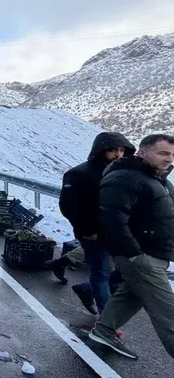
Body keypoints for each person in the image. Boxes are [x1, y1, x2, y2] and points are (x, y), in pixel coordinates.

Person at [89, 134, 174, 360]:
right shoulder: (126, 177)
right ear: (142, 153)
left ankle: (104, 330)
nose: (169, 159)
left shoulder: (157, 179)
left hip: (154, 253)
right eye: (163, 153)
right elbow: (112, 220)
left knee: (130, 295)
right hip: (141, 255)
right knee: (169, 313)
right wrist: (136, 256)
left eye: (173, 155)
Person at [56, 132, 135, 314]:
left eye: (122, 150)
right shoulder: (79, 174)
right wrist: (86, 229)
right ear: (100, 150)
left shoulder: (123, 173)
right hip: (93, 233)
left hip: (120, 233)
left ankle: (86, 289)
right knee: (101, 273)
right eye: (112, 150)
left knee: (127, 272)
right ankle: (106, 324)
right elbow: (68, 205)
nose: (118, 155)